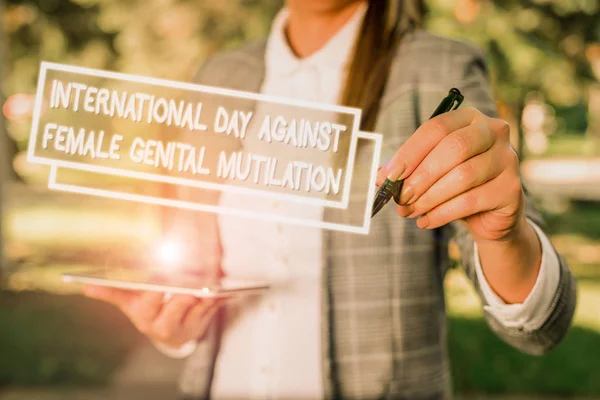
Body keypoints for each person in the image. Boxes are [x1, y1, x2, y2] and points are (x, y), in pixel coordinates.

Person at [83, 0, 578, 399]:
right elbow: (194, 260)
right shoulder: (219, 77)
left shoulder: (435, 69)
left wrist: (504, 234)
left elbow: (539, 326)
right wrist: (175, 327)